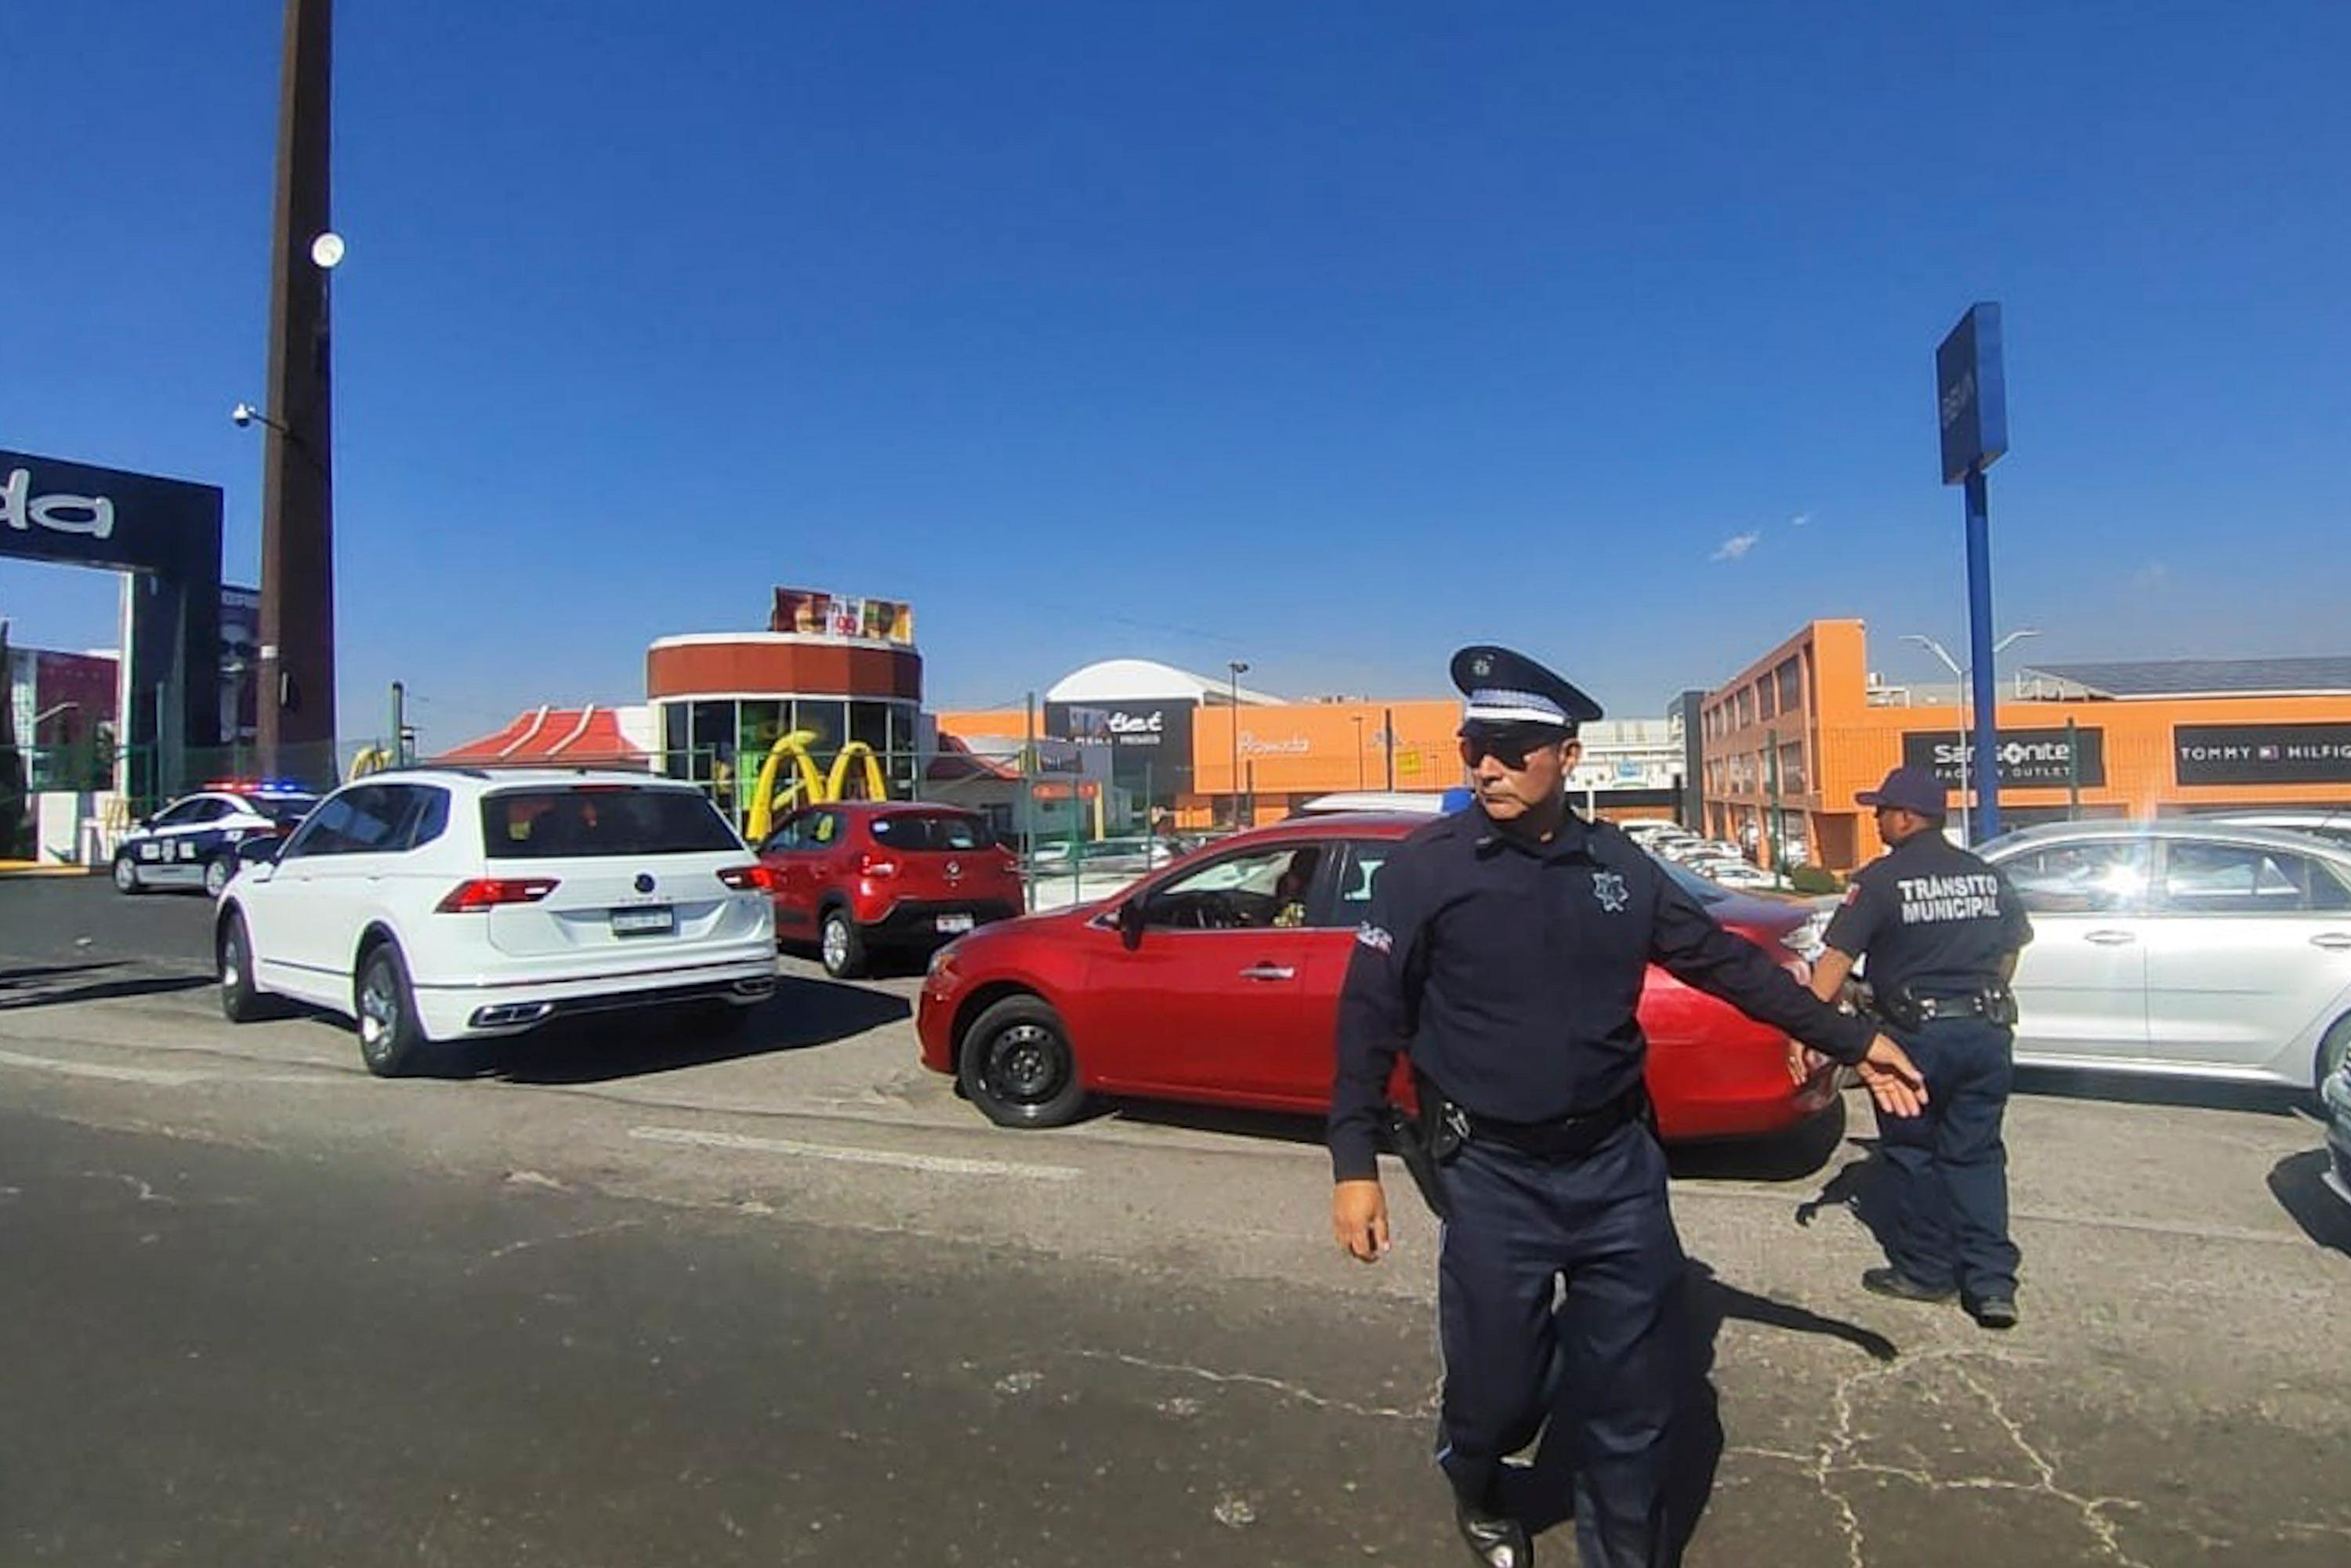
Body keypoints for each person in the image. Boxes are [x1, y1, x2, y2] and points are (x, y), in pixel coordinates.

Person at [1328, 646, 1929, 1568]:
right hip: (1491, 1174)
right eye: (1472, 745)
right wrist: (1355, 1166)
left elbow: (1727, 964)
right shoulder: (1426, 871)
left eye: (1511, 746)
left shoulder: (1619, 865)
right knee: (1502, 1388)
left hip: (1617, 1171)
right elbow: (1368, 1020)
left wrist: (1851, 1036)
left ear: (1567, 757)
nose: (1485, 763)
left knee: (1634, 1401)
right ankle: (1479, 1475)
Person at [1798, 765, 2034, 1331]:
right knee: (1977, 1153)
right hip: (1986, 1030)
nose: (1877, 818)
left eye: (1882, 810)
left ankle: (1928, 1270)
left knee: (1914, 1152)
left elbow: (1832, 963)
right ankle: (1992, 1282)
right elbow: (2012, 948)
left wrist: (1804, 1029)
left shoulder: (1880, 880)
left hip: (1915, 1040)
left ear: (1906, 817)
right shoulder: (1984, 874)